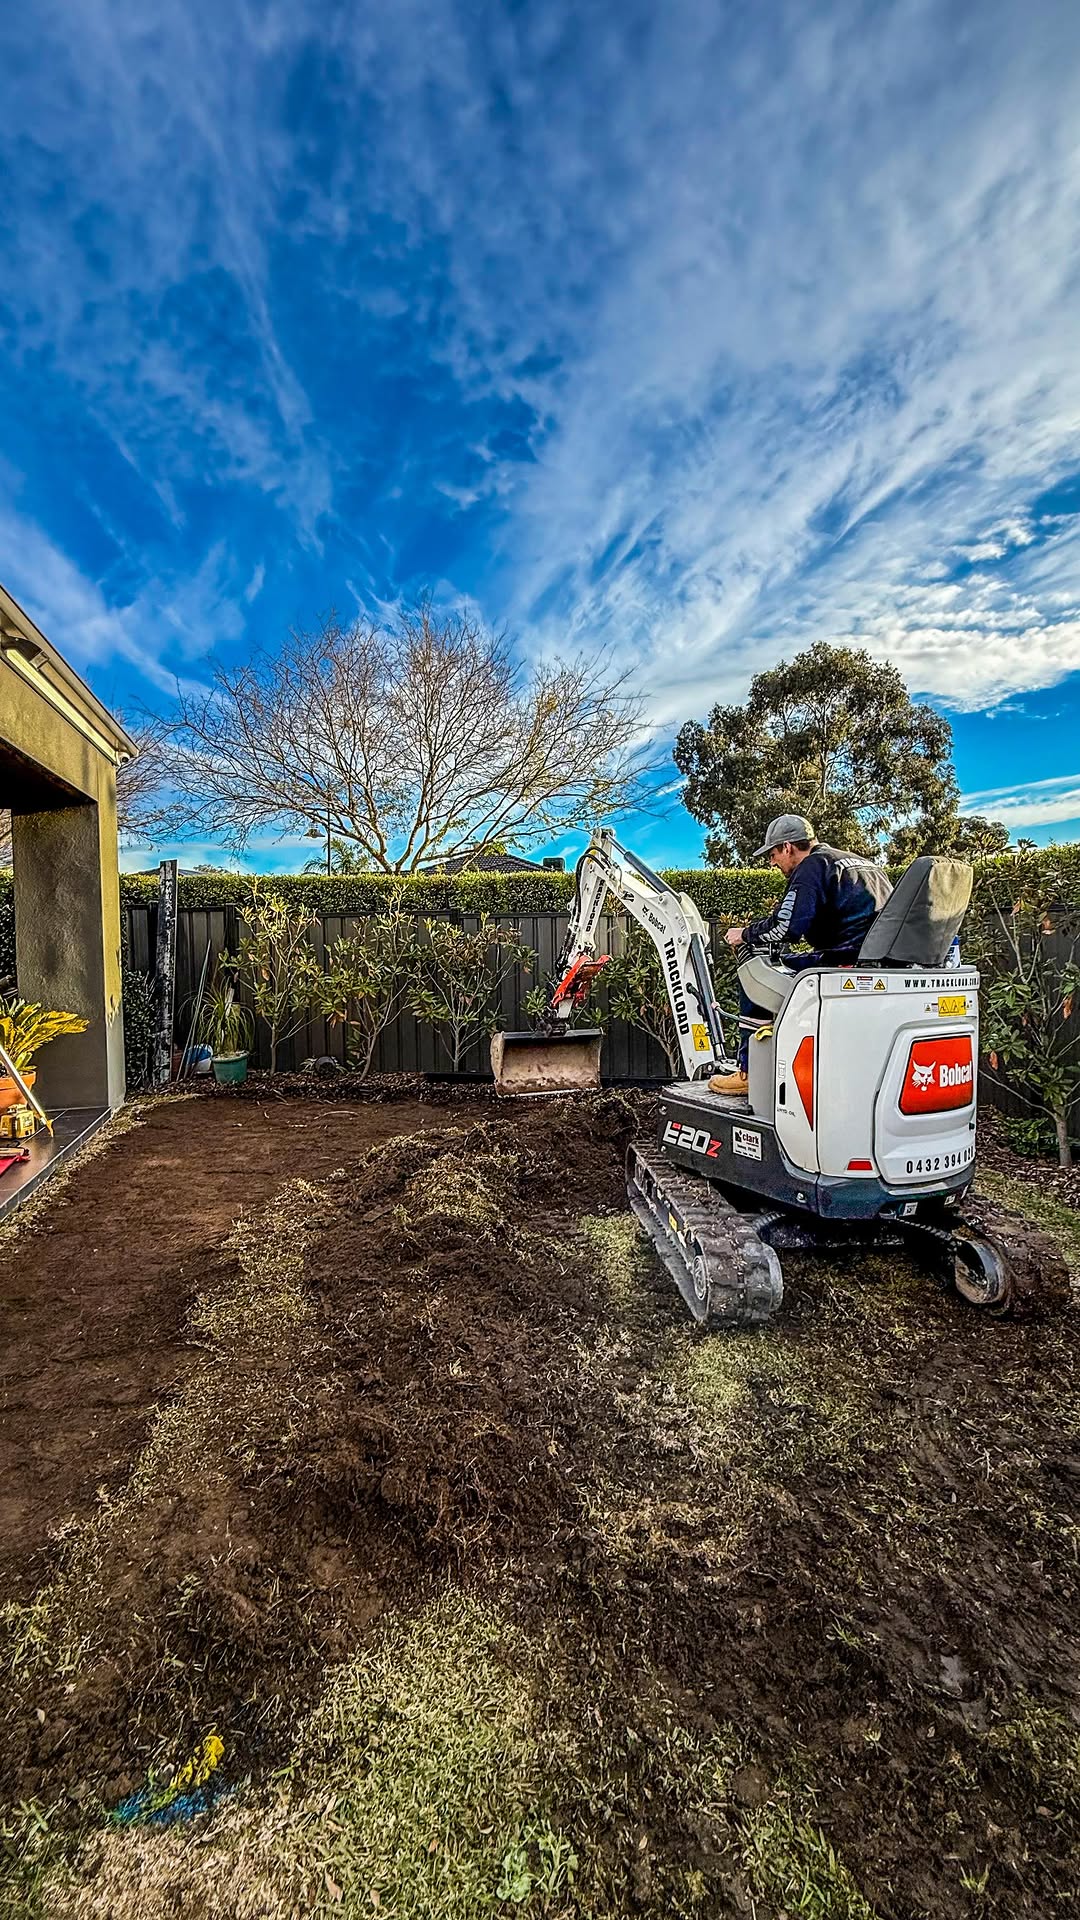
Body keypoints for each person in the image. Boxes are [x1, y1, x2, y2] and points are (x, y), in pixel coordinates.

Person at [709, 814, 892, 1096]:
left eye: (773, 854)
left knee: (754, 977)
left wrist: (744, 934)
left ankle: (750, 1072)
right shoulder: (855, 861)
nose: (772, 863)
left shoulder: (811, 867)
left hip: (846, 960)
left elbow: (787, 926)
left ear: (787, 847)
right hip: (877, 960)